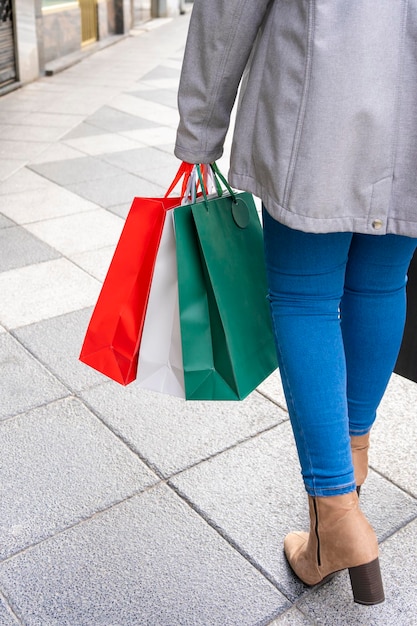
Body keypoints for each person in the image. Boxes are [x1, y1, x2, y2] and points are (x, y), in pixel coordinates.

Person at [174, 0, 417, 605]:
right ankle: (350, 467)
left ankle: (336, 516)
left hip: (324, 86)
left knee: (305, 298)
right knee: (383, 283)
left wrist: (200, 128)